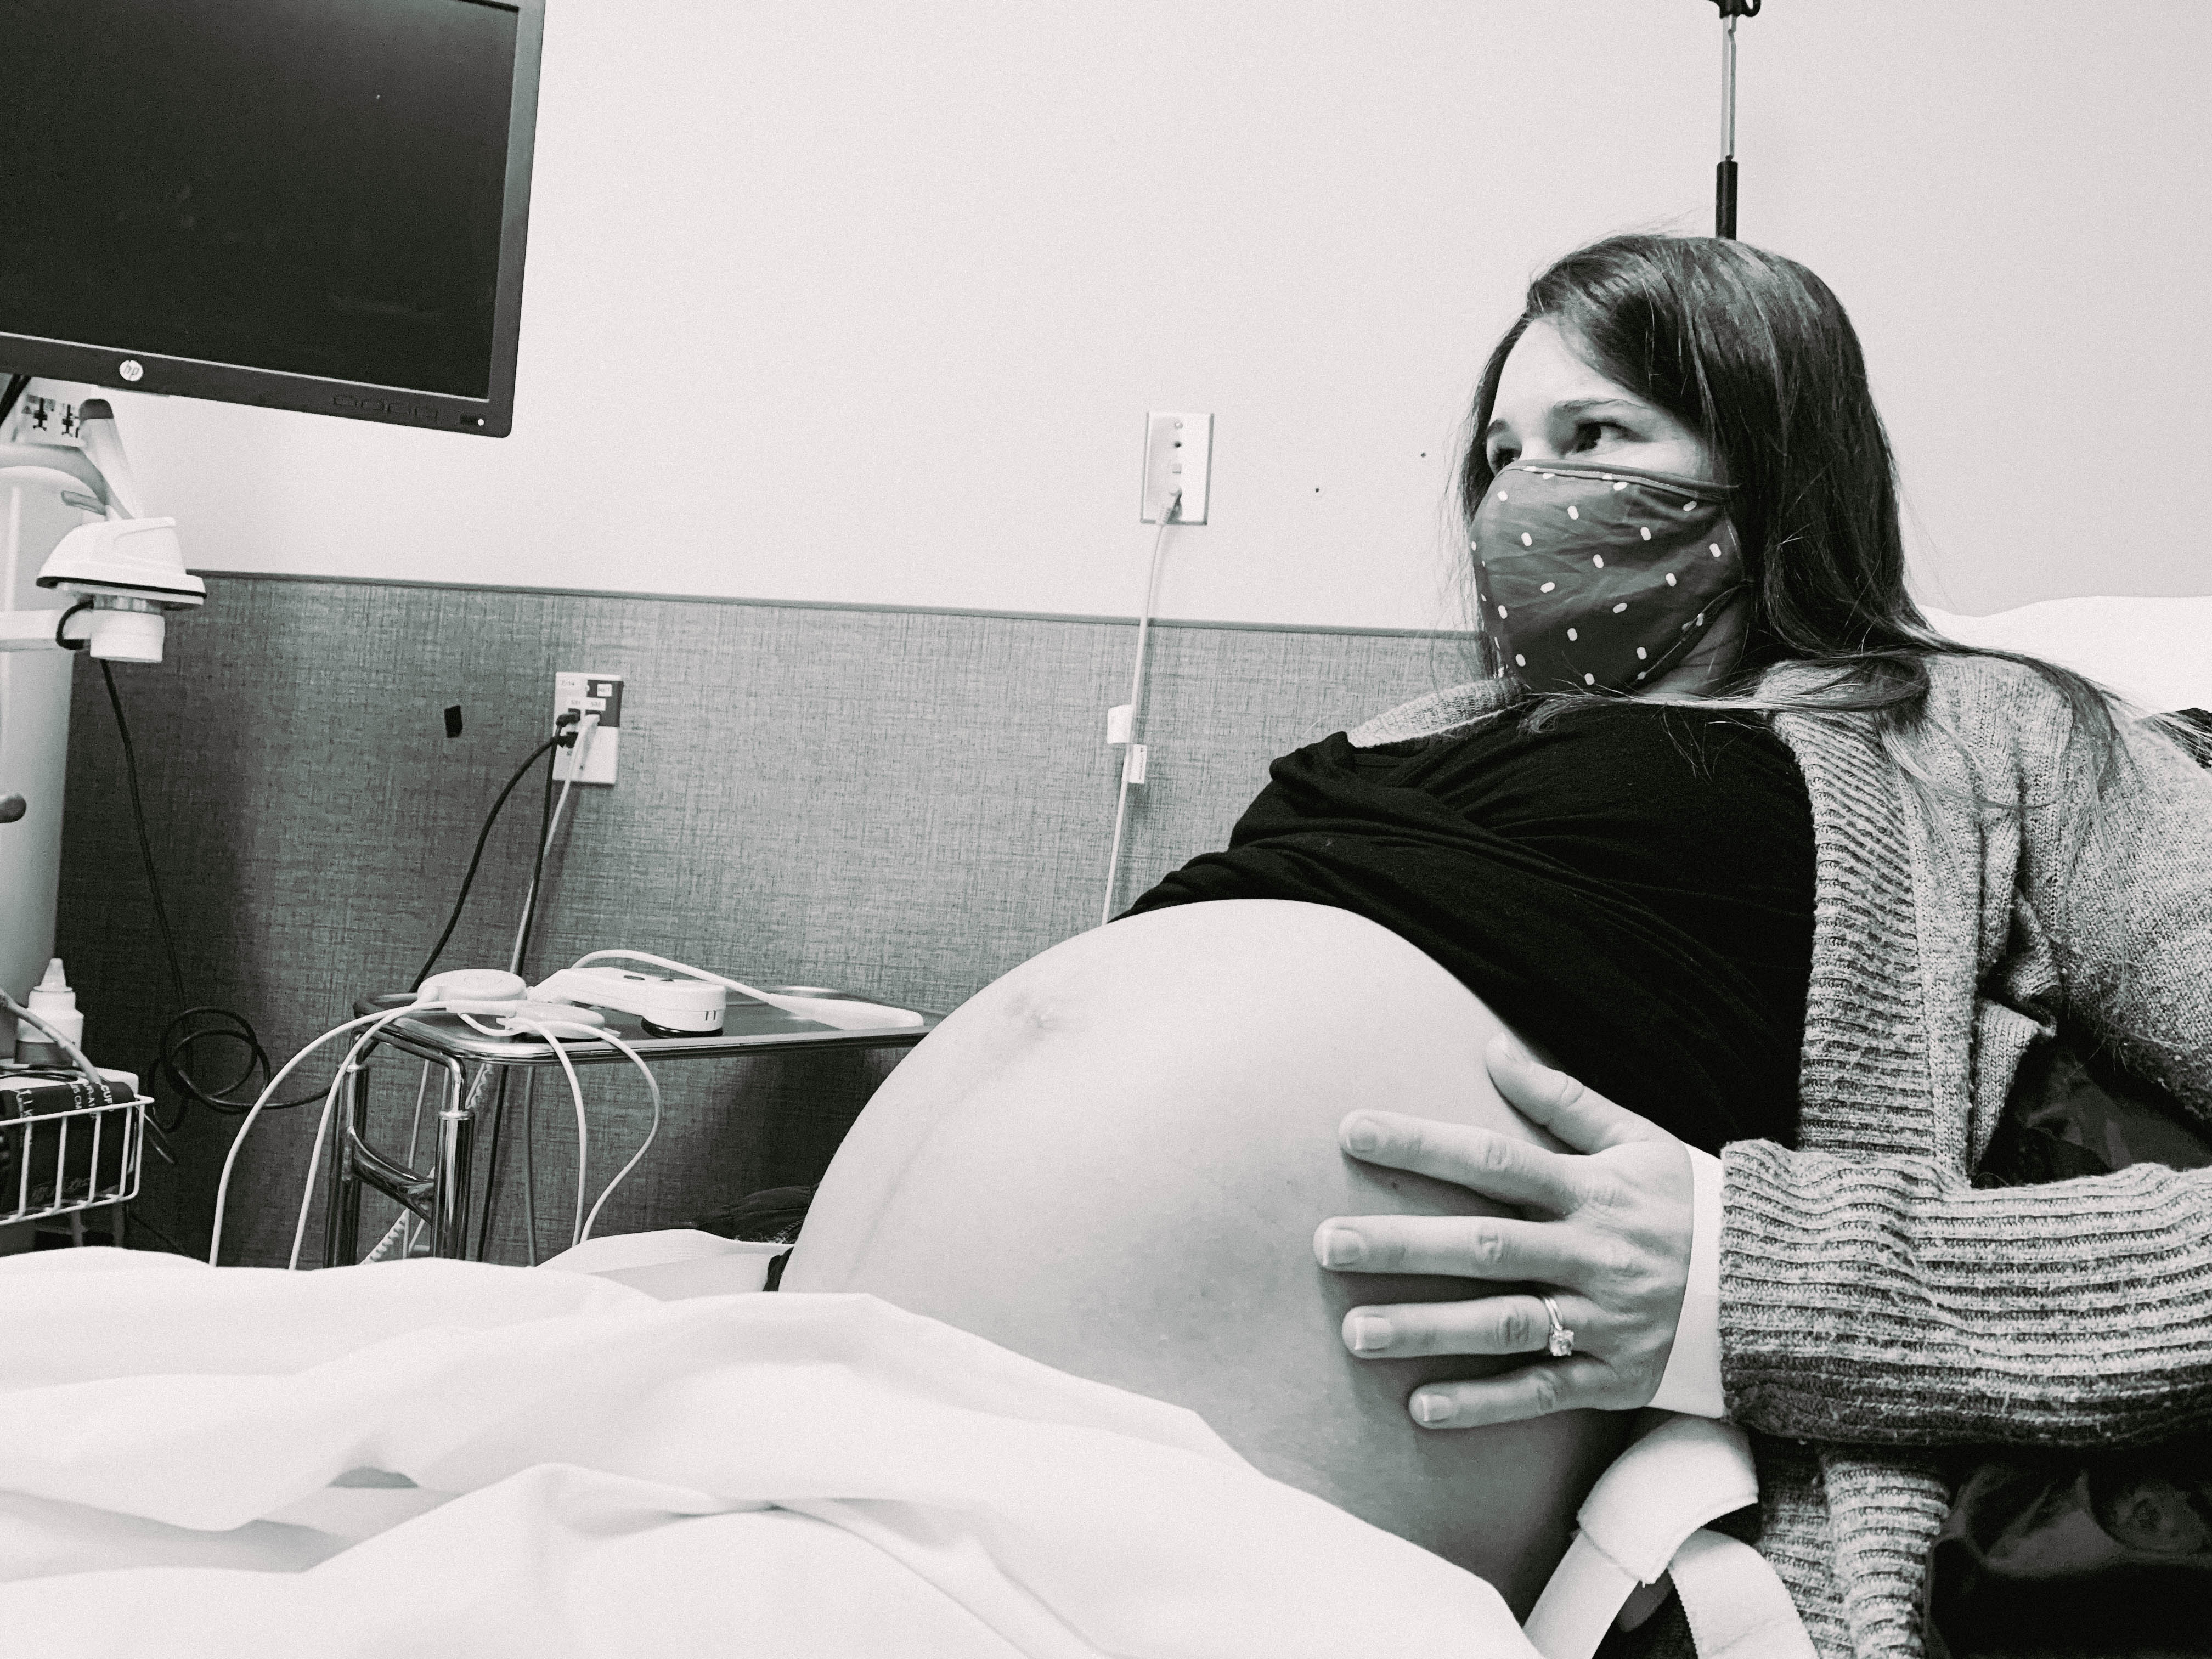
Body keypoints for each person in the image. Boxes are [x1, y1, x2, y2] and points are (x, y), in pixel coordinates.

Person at [785, 235, 2212, 1653]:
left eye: (1596, 435)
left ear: (1777, 461)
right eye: (1503, 455)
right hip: (823, 1403)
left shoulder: (1996, 738)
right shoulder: (1422, 733)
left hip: (1190, 1530)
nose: (1531, 498)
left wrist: (1756, 1276)